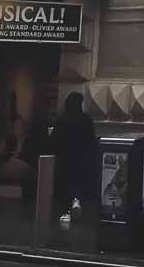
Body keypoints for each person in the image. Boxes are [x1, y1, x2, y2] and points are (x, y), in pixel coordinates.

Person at [48, 92, 99, 222]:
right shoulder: (86, 119)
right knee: (79, 182)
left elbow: (54, 140)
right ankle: (77, 201)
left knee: (66, 183)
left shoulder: (62, 119)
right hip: (82, 158)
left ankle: (67, 211)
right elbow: (91, 140)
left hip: (65, 158)